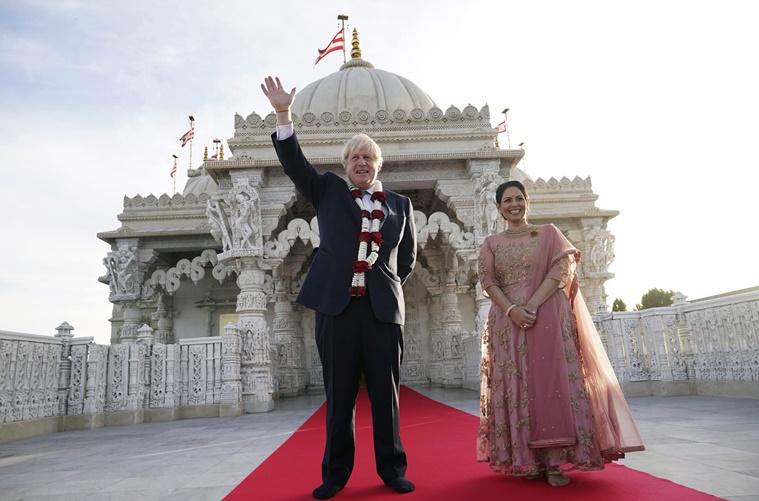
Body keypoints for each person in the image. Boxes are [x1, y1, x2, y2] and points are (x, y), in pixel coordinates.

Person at [261, 76, 417, 499]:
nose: (361, 162)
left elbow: (407, 260)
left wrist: (381, 284)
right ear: (345, 164)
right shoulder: (327, 190)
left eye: (368, 157)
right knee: (340, 395)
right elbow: (295, 164)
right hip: (336, 307)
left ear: (378, 164)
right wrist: (283, 115)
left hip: (383, 311)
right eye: (354, 157)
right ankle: (335, 475)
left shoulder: (400, 206)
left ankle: (392, 469)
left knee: (386, 396)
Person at [477, 180, 644, 487]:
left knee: (552, 384)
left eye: (519, 198)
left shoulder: (549, 234)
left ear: (528, 201)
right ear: (498, 207)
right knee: (517, 385)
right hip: (508, 321)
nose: (514, 204)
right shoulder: (491, 243)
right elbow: (489, 283)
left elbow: (560, 272)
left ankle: (555, 462)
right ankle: (529, 459)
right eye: (507, 200)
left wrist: (531, 305)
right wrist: (513, 310)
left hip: (547, 317)